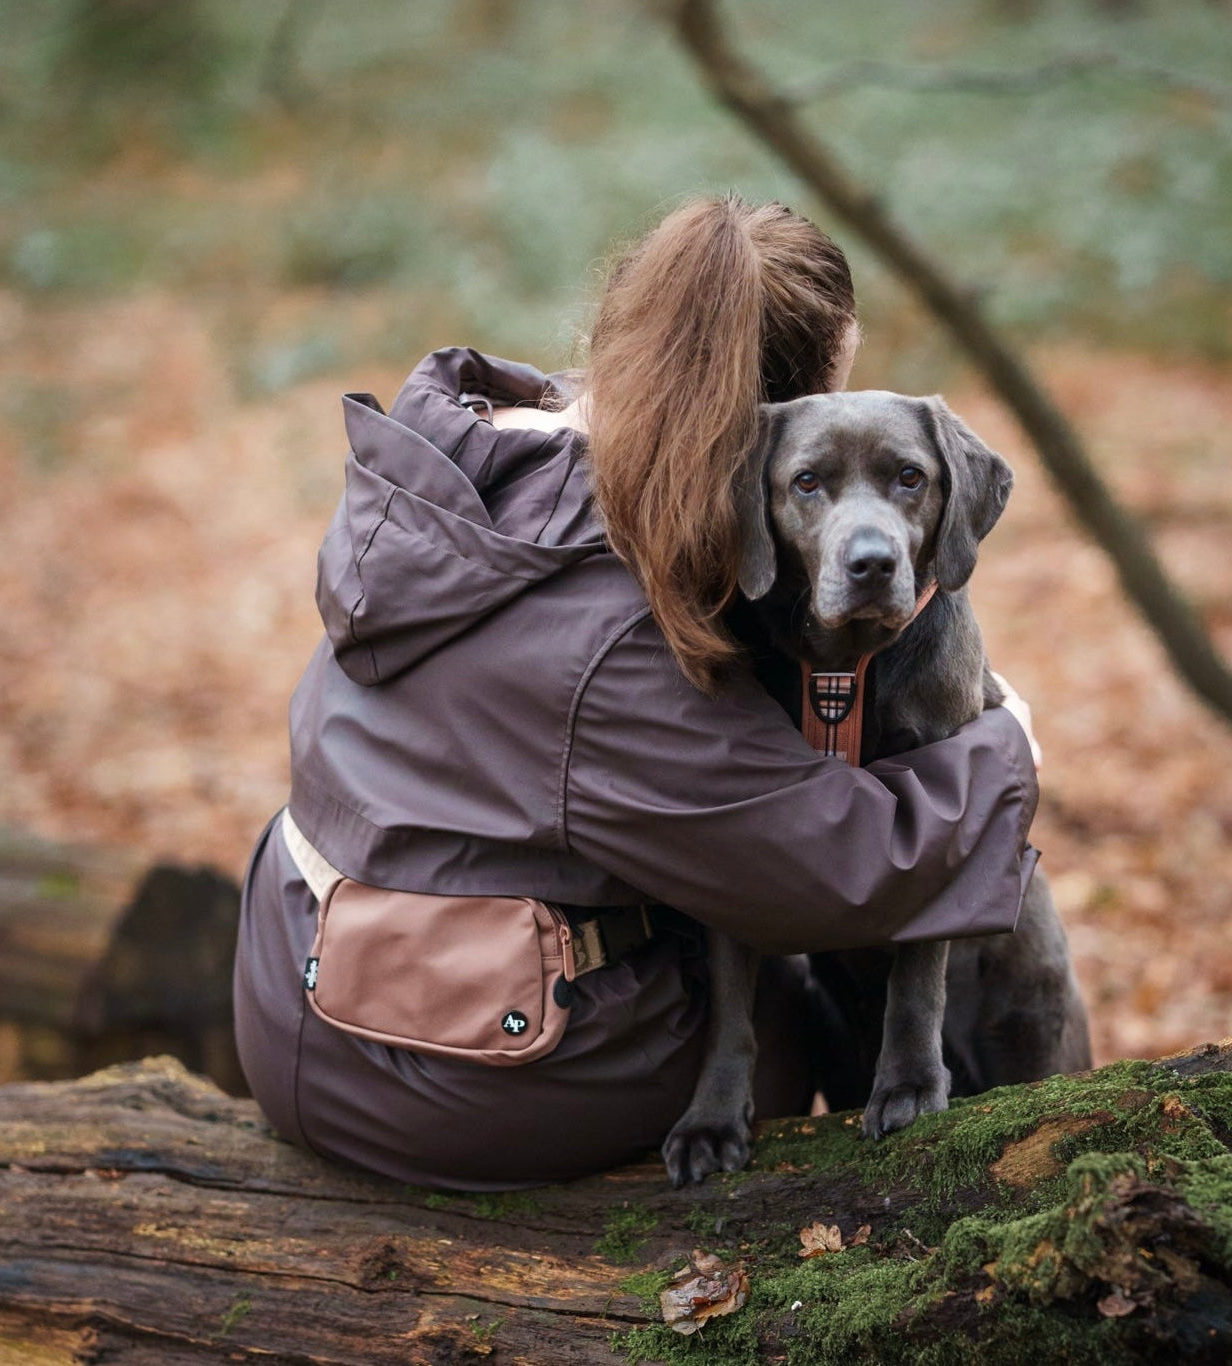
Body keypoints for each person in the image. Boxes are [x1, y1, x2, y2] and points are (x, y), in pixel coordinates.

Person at [233, 195, 1041, 1190]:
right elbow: (838, 872)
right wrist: (1008, 746)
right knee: (833, 961)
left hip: (295, 990)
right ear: (767, 435)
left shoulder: (467, 455)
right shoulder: (623, 618)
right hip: (454, 1073)